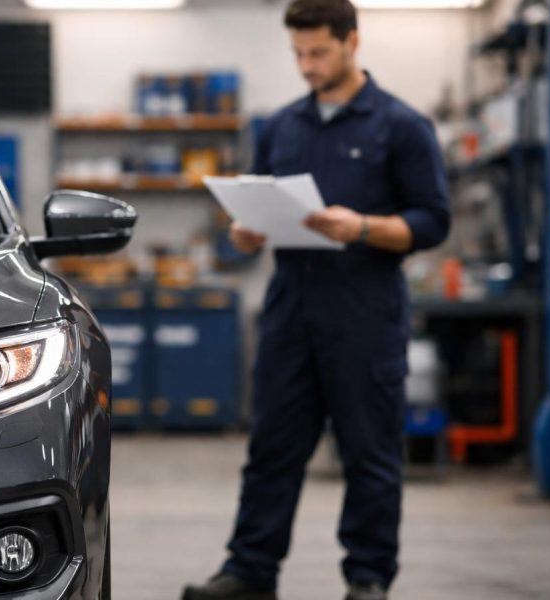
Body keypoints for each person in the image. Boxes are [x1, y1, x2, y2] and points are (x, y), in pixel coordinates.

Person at [181, 1, 450, 599]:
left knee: (369, 452)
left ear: (353, 42)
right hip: (290, 305)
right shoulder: (280, 127)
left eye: (319, 52)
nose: (306, 65)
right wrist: (243, 234)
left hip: (365, 307)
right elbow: (253, 210)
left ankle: (368, 578)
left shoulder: (401, 126)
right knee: (271, 447)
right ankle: (250, 572)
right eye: (298, 54)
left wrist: (361, 227)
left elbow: (432, 222)